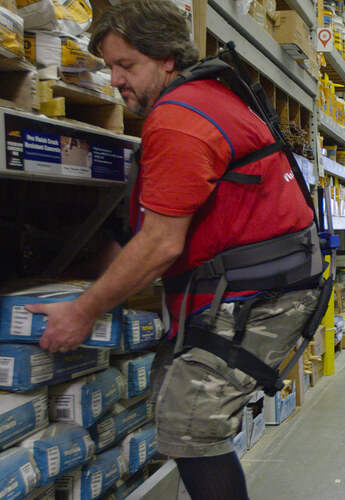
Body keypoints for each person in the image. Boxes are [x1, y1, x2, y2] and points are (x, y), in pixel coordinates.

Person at [24, 2, 319, 498]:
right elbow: (149, 233)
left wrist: (81, 311)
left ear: (166, 59)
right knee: (173, 401)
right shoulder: (204, 97)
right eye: (110, 67)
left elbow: (161, 244)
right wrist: (75, 274)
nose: (115, 80)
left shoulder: (180, 119)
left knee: (189, 425)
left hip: (264, 298)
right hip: (264, 286)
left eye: (127, 66)